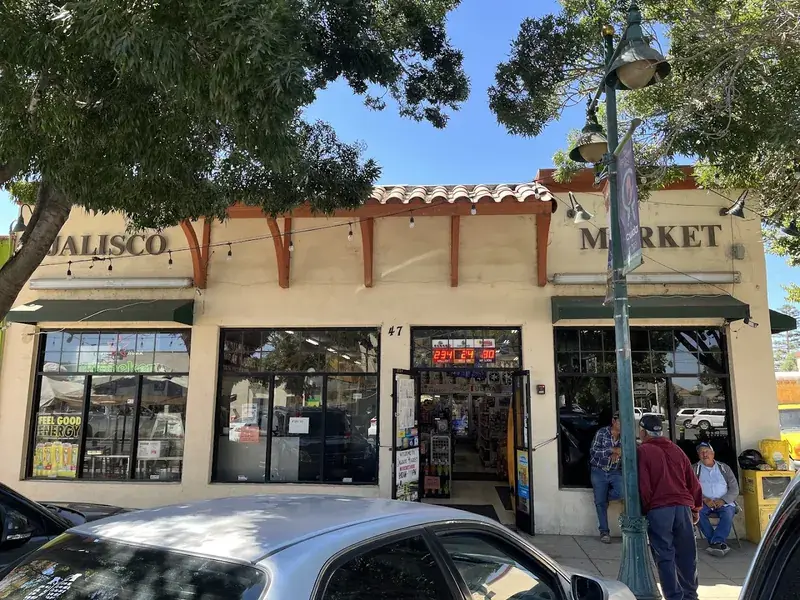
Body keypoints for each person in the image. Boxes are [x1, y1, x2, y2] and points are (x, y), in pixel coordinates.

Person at [637, 414, 703, 600]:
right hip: (683, 508)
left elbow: (644, 486)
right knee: (687, 556)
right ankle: (691, 596)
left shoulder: (643, 451)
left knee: (664, 556)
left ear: (643, 432)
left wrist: (645, 509)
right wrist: (696, 508)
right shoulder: (677, 450)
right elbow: (694, 483)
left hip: (659, 509)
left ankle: (674, 597)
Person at [693, 441, 739, 557]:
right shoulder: (694, 469)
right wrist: (704, 499)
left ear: (713, 453)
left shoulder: (724, 468)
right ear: (698, 455)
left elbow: (734, 488)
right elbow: (690, 489)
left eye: (707, 451)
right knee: (697, 513)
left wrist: (723, 500)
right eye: (701, 452)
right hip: (704, 502)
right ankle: (717, 542)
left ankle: (715, 542)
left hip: (724, 502)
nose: (704, 454)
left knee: (728, 513)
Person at [589, 410, 622, 544]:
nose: (622, 425)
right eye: (620, 421)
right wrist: (612, 451)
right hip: (599, 471)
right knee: (600, 504)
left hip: (615, 471)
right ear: (613, 422)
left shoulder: (625, 436)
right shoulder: (602, 433)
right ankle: (604, 531)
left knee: (623, 492)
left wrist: (620, 452)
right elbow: (594, 452)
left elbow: (631, 450)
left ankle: (605, 497)